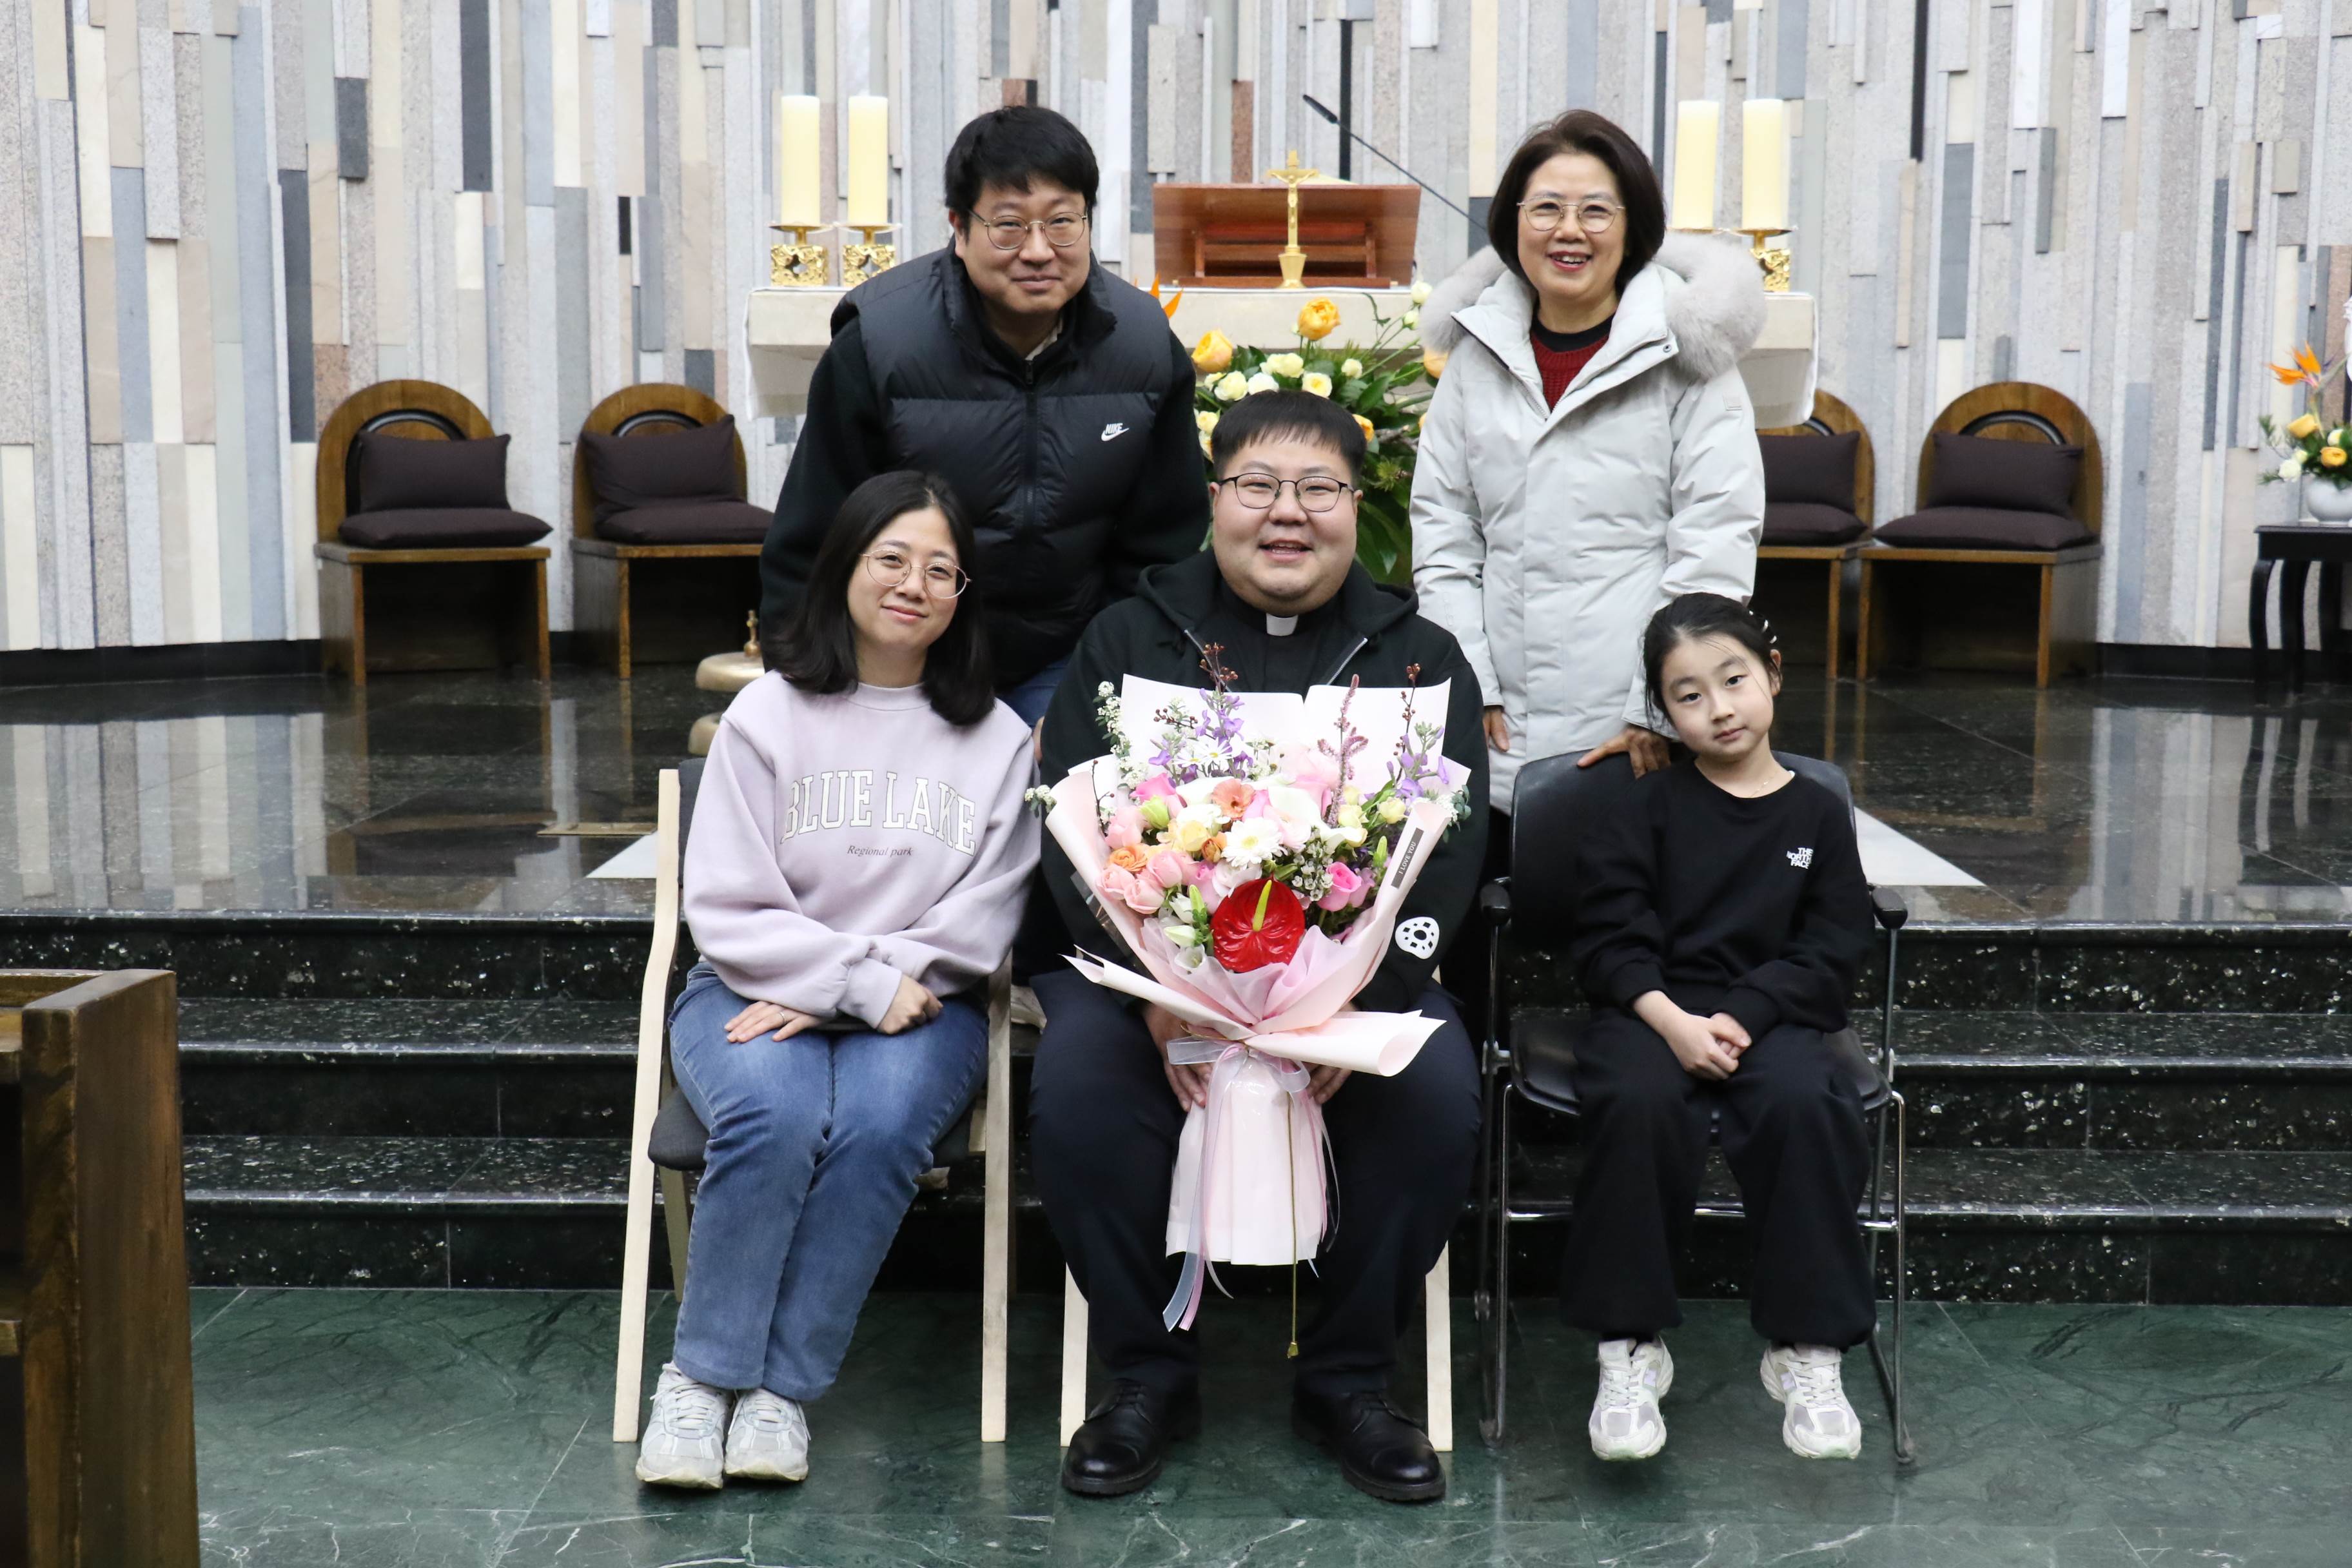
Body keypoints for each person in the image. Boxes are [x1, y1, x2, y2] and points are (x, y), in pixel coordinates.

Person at [1028, 391, 1489, 1505]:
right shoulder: (1127, 637)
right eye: (1258, 486)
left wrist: (1359, 999)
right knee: (1082, 1087)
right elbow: (1070, 825)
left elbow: (1450, 853)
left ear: (1357, 506)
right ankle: (1145, 1375)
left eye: (1319, 488)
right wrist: (1153, 995)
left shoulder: (1420, 658)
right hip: (1151, 979)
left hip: (1354, 984)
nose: (1288, 512)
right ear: (1213, 499)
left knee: (1431, 1090)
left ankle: (1348, 1379)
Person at [636, 471, 1041, 1491]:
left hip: (925, 1002)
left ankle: (780, 1394)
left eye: (941, 570)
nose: (914, 585)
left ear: (963, 596)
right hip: (750, 986)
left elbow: (986, 914)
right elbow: (727, 903)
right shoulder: (767, 715)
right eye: (891, 559)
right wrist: (845, 984)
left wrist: (862, 986)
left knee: (879, 1126)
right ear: (845, 569)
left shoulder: (997, 739)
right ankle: (700, 1382)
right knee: (770, 1117)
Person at [760, 104, 1210, 728]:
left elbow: (1163, 550)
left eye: (1062, 222)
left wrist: (1107, 682)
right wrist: (800, 698)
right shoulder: (880, 343)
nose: (1038, 251)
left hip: (1069, 655)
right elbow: (813, 535)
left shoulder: (1144, 345)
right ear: (958, 226)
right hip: (908, 652)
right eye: (1009, 226)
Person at [1562, 593, 1874, 1464]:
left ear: (1773, 674)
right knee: (1636, 1100)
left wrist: (1743, 1015)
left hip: (1772, 1012)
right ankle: (1630, 1345)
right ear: (1664, 713)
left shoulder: (1817, 811)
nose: (1720, 708)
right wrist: (1672, 1021)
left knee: (1805, 1102)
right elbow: (1608, 939)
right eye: (1689, 695)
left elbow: (1833, 942)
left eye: (1734, 680)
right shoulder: (1644, 806)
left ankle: (1806, 1347)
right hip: (1653, 1009)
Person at [1411, 108, 1767, 818]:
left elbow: (1716, 533)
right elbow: (1444, 527)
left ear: (1633, 229)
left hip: (1634, 723)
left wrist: (1663, 704)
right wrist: (1469, 678)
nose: (1569, 230)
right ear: (1514, 223)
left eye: (1596, 211)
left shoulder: (1683, 353)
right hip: (1499, 713)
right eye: (1546, 208)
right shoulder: (1477, 354)